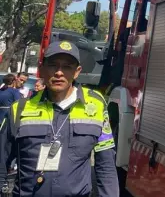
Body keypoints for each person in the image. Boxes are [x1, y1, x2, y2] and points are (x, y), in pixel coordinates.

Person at [0, 41, 119, 196]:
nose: (59, 72)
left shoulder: (96, 106)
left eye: (67, 66)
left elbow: (106, 165)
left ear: (77, 72)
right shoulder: (19, 109)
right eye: (53, 65)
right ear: (41, 69)